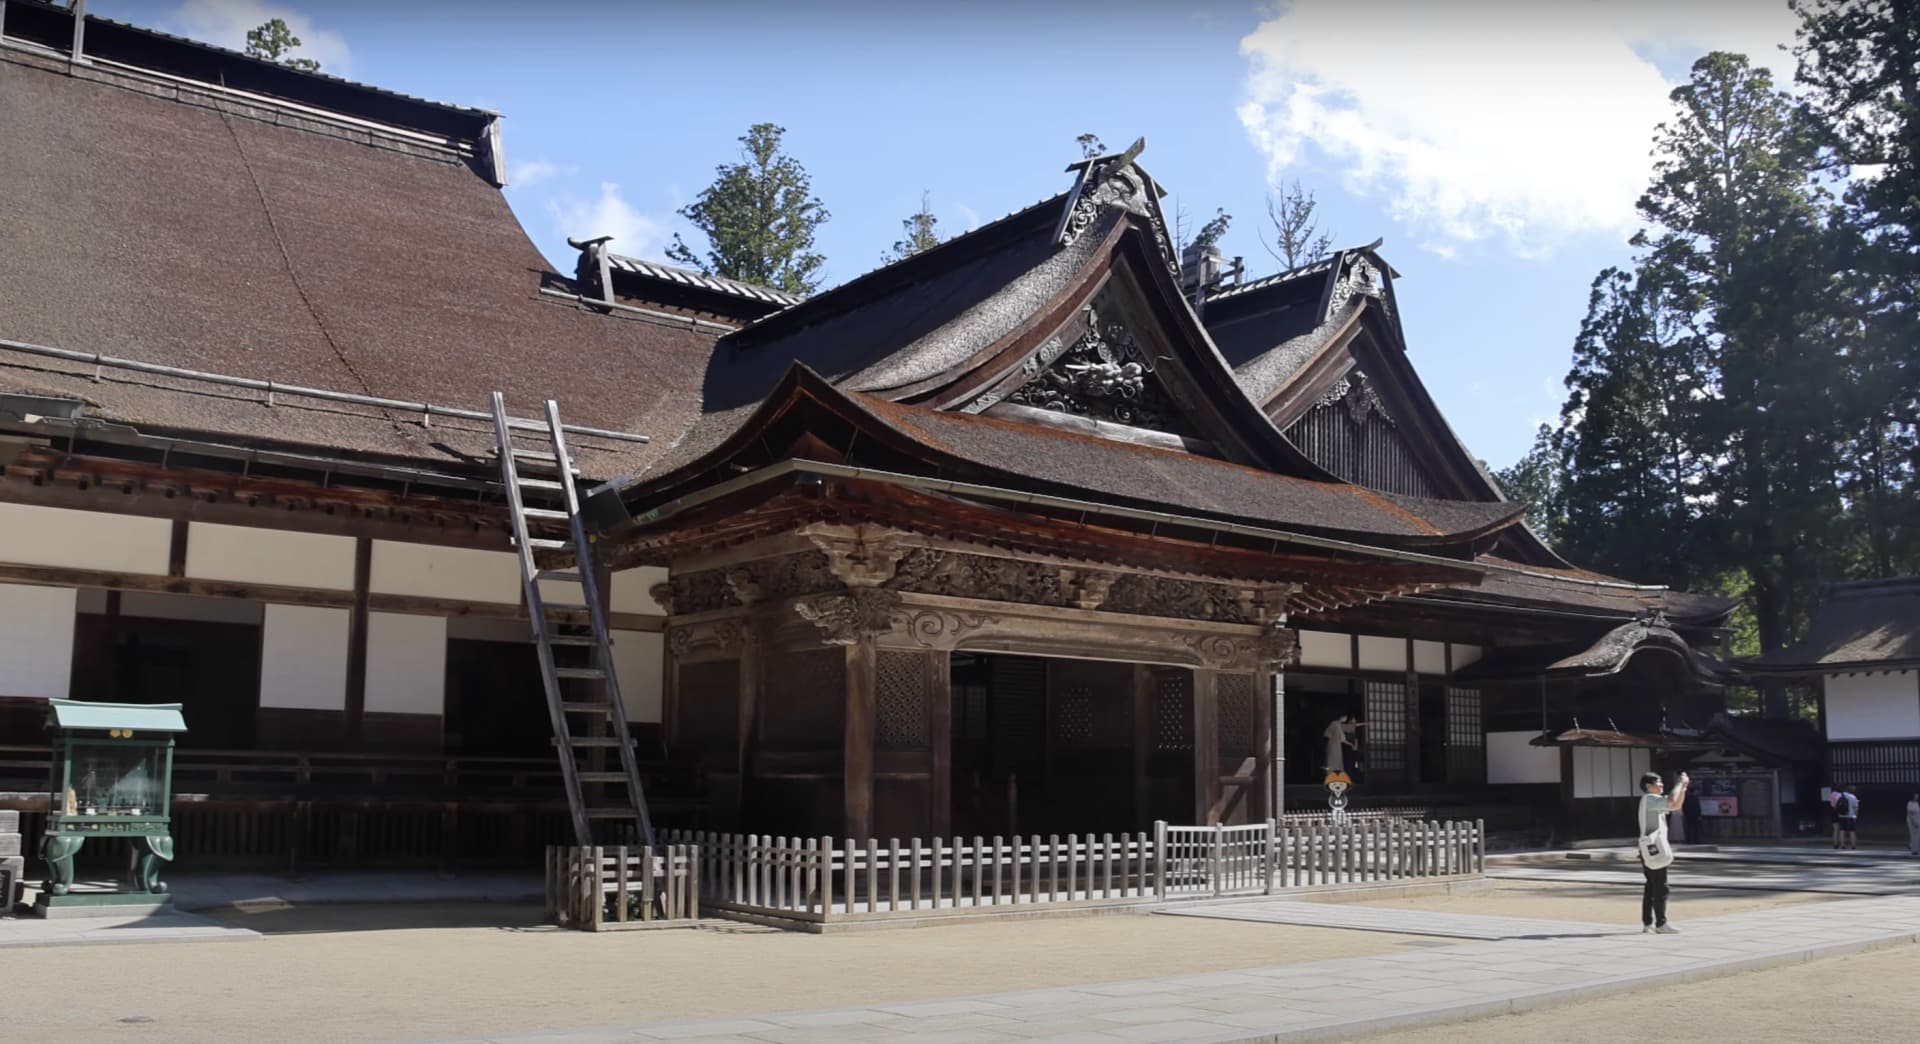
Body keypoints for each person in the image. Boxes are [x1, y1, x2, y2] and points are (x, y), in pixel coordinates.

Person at [1638, 770, 1688, 934]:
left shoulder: (1651, 800)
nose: (1661, 785)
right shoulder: (1651, 798)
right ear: (1648, 786)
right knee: (1661, 886)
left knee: (1651, 886)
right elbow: (1672, 800)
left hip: (1648, 847)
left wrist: (1683, 788)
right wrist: (1680, 784)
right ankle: (1661, 923)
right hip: (1653, 848)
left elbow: (1675, 806)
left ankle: (1648, 923)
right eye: (1658, 783)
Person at [1832, 784, 1860, 850]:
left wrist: (1839, 812)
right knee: (1852, 831)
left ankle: (1842, 845)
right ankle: (1853, 846)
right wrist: (1856, 816)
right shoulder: (1853, 797)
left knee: (1842, 830)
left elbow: (1835, 806)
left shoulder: (1839, 796)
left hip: (1842, 815)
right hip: (1851, 816)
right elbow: (1856, 808)